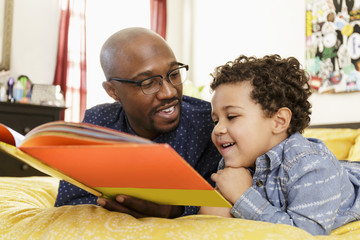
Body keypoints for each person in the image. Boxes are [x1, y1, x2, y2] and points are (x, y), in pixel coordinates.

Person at [55, 27, 221, 218]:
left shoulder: (208, 123)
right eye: (148, 83)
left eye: (174, 74)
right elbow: (69, 203)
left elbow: (225, 197)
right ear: (112, 91)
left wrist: (175, 210)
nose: (170, 92)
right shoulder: (98, 123)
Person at [199, 54, 360, 235]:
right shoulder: (234, 160)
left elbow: (306, 234)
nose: (218, 129)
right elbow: (211, 221)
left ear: (279, 121)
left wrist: (243, 197)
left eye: (231, 117)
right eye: (215, 121)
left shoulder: (311, 166)